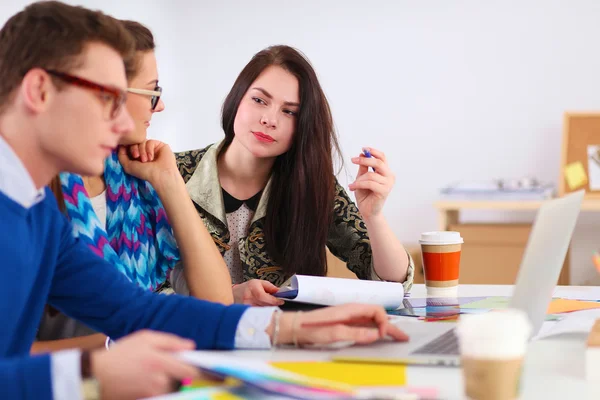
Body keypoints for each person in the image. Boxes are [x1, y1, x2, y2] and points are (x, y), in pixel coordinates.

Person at [0, 3, 408, 399]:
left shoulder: (36, 213)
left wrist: (290, 330)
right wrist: (89, 374)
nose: (126, 121)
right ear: (39, 90)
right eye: (107, 98)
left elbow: (137, 311)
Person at [33, 20, 233, 355]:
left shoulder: (136, 179)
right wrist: (116, 345)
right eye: (153, 92)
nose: (160, 106)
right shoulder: (33, 190)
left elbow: (217, 301)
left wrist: (170, 184)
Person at [174, 45, 415, 306]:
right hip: (183, 338)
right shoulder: (170, 173)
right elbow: (139, 286)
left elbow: (393, 285)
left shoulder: (312, 185)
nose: (270, 119)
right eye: (259, 100)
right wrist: (227, 297)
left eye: (289, 112)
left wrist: (374, 216)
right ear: (237, 98)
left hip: (283, 340)